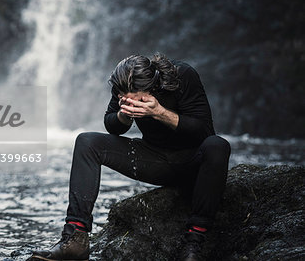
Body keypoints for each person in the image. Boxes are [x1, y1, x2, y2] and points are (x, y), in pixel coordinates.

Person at [29, 53, 231, 261]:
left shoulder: (183, 75)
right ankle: (75, 239)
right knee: (86, 141)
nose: (129, 99)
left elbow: (205, 132)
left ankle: (194, 244)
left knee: (218, 146)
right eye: (123, 96)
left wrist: (159, 112)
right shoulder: (124, 82)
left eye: (138, 97)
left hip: (192, 163)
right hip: (153, 160)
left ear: (152, 87)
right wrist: (123, 115)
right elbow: (112, 125)